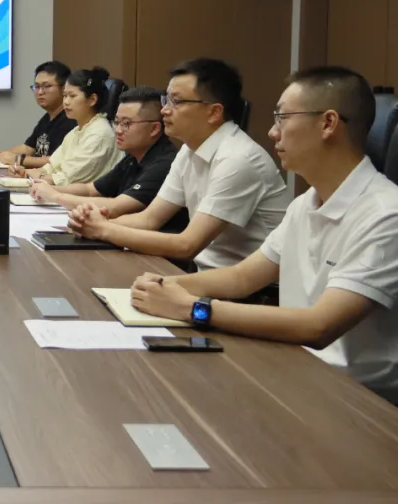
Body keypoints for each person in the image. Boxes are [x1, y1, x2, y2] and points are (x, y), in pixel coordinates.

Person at [129, 67, 398, 403]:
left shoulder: (386, 214)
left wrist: (193, 308)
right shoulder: (306, 203)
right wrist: (163, 286)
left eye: (283, 118)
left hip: (355, 398)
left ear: (328, 123)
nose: (272, 132)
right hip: (295, 367)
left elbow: (319, 326)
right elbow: (242, 278)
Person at [68, 58, 287, 271]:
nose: (164, 110)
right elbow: (148, 219)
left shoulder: (237, 159)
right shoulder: (188, 150)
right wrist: (90, 223)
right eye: (167, 100)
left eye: (177, 101)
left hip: (254, 288)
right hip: (208, 276)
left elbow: (187, 245)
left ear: (214, 112)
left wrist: (103, 229)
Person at [28, 86, 189, 232]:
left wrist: (55, 197)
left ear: (154, 128)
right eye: (116, 122)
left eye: (126, 123)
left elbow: (116, 206)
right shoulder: (132, 157)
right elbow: (91, 189)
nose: (118, 130)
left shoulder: (164, 163)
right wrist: (49, 189)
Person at [27, 66, 121, 186]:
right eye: (65, 95)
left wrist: (37, 176)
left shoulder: (100, 134)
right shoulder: (76, 131)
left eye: (72, 96)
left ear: (92, 100)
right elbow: (53, 165)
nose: (66, 102)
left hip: (85, 197)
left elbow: (68, 179)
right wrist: (28, 173)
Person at [0, 61, 74, 174]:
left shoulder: (71, 120)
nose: (40, 92)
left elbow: (57, 161)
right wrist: (1, 154)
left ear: (64, 89)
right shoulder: (47, 118)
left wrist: (18, 160)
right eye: (37, 87)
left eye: (47, 86)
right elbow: (28, 148)